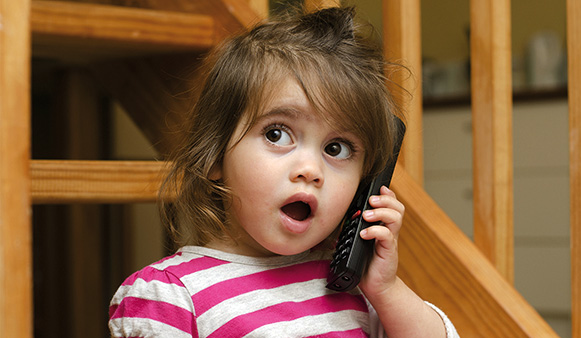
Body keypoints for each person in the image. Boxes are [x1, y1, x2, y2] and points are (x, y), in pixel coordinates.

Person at [108, 6, 459, 338]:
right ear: (215, 157)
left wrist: (386, 289)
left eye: (336, 148)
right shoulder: (168, 296)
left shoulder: (355, 289)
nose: (310, 170)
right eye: (277, 134)